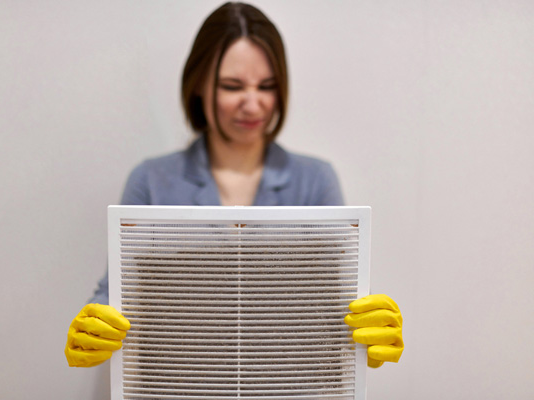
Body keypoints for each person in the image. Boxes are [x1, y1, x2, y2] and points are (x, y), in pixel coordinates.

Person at [65, 2, 403, 371]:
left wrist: (370, 326)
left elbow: (336, 308)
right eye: (232, 86)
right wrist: (93, 327)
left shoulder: (315, 181)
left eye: (268, 86)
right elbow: (116, 296)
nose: (253, 104)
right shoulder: (150, 181)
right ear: (198, 86)